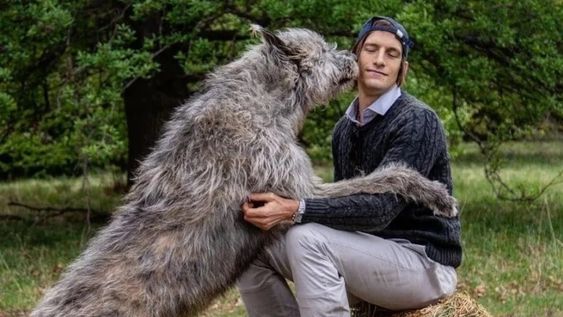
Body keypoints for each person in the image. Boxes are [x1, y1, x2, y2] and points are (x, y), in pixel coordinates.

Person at [238, 16, 462, 317]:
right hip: (366, 259)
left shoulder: (417, 120)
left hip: (422, 264)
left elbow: (379, 210)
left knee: (307, 238)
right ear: (355, 57)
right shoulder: (345, 129)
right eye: (372, 49)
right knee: (249, 246)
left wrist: (295, 209)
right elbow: (345, 208)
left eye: (392, 54)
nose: (380, 60)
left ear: (402, 70)